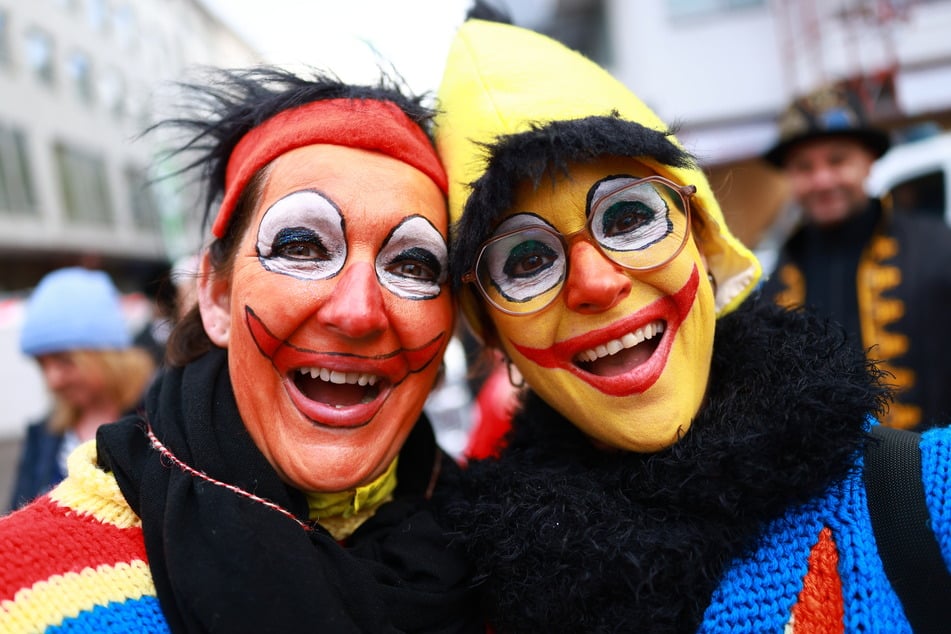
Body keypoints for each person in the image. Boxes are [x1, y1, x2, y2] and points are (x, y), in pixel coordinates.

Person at [432, 17, 951, 632]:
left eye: (629, 217)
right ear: (492, 334)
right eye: (525, 260)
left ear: (703, 243)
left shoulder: (924, 497)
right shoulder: (469, 596)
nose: (597, 283)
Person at [0, 67, 479, 633]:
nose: (357, 312)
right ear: (218, 296)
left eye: (413, 264)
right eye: (302, 246)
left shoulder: (505, 546)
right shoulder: (28, 591)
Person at [760, 84, 951, 431]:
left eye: (837, 160)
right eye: (804, 167)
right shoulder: (776, 282)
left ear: (869, 161)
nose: (822, 179)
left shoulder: (939, 248)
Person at [8, 266, 155, 511]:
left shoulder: (158, 423)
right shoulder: (43, 435)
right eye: (41, 364)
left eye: (64, 361)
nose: (53, 380)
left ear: (105, 356)